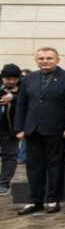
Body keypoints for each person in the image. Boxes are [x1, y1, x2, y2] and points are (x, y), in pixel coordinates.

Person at [14, 47, 65, 215]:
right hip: (32, 130)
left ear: (57, 60)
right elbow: (21, 104)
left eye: (49, 58)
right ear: (36, 60)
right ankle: (35, 200)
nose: (45, 61)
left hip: (57, 130)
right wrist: (19, 128)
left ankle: (53, 200)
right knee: (33, 167)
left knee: (55, 166)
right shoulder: (29, 79)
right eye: (41, 58)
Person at [0, 64, 22, 196]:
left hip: (10, 128)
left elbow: (28, 100)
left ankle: (3, 183)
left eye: (15, 79)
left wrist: (13, 98)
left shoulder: (22, 87)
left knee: (9, 156)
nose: (12, 81)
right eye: (8, 79)